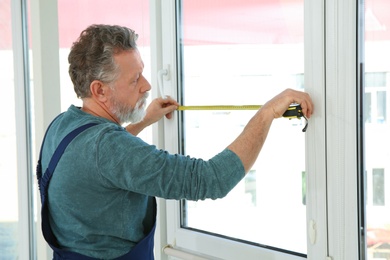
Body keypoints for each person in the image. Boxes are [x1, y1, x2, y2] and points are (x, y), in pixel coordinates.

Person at [37, 24, 313, 259]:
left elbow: (97, 164)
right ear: (99, 90)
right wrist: (267, 113)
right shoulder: (109, 148)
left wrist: (144, 121)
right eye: (135, 80)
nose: (146, 85)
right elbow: (209, 179)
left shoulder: (63, 125)